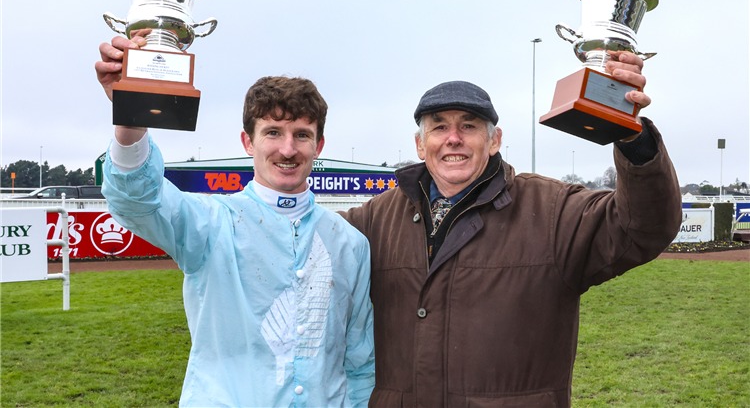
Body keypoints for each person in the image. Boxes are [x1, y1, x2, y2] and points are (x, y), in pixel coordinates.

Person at [342, 53, 682, 408]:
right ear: (419, 144)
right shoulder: (375, 220)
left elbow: (643, 227)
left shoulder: (552, 211)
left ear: (494, 141)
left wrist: (629, 134)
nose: (453, 138)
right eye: (439, 126)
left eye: (469, 126)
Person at [95, 36, 375, 408]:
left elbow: (359, 361)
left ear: (318, 146)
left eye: (302, 135)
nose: (288, 149)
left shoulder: (350, 243)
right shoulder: (209, 224)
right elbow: (136, 199)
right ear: (248, 142)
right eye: (273, 133)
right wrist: (131, 113)